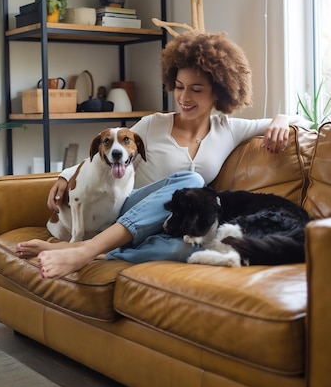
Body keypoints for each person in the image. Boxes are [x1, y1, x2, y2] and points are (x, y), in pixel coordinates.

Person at [16, 31, 302, 279]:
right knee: (191, 180)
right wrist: (66, 177)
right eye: (179, 87)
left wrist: (280, 119)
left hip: (171, 225)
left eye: (196, 89)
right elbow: (109, 151)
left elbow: (302, 121)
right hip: (129, 212)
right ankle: (86, 249)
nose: (184, 98)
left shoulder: (229, 129)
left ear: (219, 91)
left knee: (187, 247)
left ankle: (93, 252)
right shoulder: (153, 125)